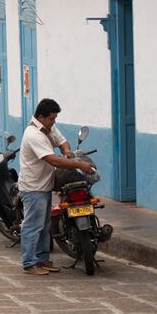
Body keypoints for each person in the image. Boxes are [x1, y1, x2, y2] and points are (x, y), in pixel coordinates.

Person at [18, 98, 95, 276]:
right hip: (33, 187)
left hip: (45, 183)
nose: (54, 122)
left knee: (44, 225)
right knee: (33, 225)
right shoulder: (33, 134)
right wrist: (79, 164)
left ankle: (42, 259)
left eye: (55, 119)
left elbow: (62, 141)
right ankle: (29, 263)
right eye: (51, 119)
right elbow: (52, 160)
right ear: (41, 117)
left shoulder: (48, 128)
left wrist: (67, 151)